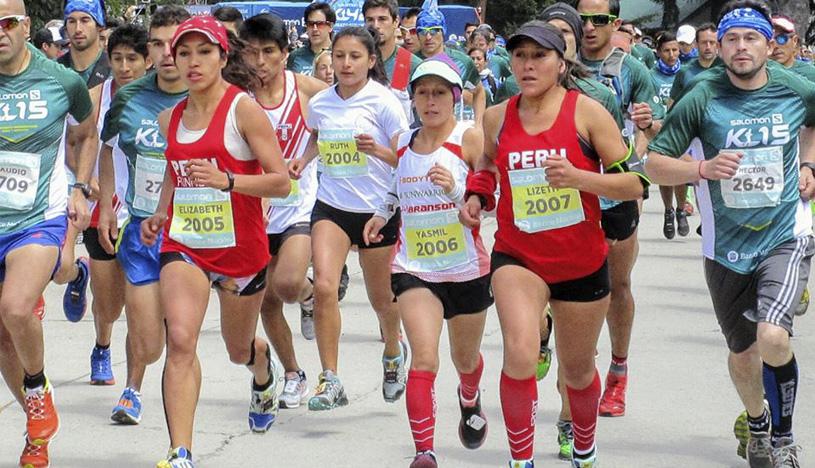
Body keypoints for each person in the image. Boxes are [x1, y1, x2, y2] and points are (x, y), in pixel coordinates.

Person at [460, 21, 642, 468]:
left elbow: (635, 182)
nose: (527, 65)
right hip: (518, 256)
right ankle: (520, 459)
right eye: (520, 56)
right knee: (520, 351)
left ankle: (584, 447)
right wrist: (477, 195)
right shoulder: (497, 116)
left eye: (539, 56)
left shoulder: (587, 113)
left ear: (561, 64)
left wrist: (579, 178)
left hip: (580, 260)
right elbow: (486, 164)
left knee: (577, 371)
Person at [645, 2, 813, 467]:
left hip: (785, 233)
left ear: (768, 45)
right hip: (725, 247)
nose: (742, 48)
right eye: (732, 40)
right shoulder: (702, 96)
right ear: (718, 47)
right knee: (743, 354)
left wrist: (809, 162)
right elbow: (655, 164)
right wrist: (701, 168)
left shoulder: (797, 89)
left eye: (751, 39)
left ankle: (784, 440)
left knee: (774, 337)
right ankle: (757, 421)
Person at [141, 15, 290, 467]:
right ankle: (180, 452)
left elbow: (282, 182)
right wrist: (161, 211)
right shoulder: (171, 116)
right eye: (183, 53)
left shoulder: (244, 110)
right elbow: (175, 168)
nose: (192, 62)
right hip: (184, 243)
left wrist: (230, 182)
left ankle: (261, 364)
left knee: (236, 348)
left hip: (241, 250)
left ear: (224, 57)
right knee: (181, 339)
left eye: (204, 52)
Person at [363, 57, 491, 468]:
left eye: (439, 93)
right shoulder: (403, 142)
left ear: (455, 98)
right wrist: (382, 214)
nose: (430, 102)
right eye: (422, 93)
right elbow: (398, 187)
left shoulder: (468, 139)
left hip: (467, 267)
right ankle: (424, 452)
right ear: (413, 98)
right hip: (414, 268)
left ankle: (469, 396)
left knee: (465, 361)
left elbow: (490, 204)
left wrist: (456, 190)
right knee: (424, 358)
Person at [289, 26, 409, 411]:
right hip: (332, 206)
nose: (344, 63)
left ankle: (393, 350)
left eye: (354, 56)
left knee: (381, 299)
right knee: (324, 287)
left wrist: (378, 150)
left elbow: (408, 159)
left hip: (377, 210)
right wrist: (304, 159)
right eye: (338, 55)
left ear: (371, 61)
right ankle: (331, 378)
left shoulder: (385, 102)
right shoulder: (321, 102)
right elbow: (315, 135)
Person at [0, 1, 97, 466]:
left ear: (24, 27)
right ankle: (37, 432)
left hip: (38, 216)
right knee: (3, 338)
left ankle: (37, 388)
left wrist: (80, 186)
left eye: (6, 23)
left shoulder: (63, 81)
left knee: (16, 307)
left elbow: (87, 133)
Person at [96, 8, 190, 425]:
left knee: (212, 338)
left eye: (176, 44)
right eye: (158, 43)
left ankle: (258, 363)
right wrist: (104, 208)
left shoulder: (212, 96)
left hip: (195, 231)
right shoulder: (128, 97)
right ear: (149, 49)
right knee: (149, 340)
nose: (167, 53)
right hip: (142, 229)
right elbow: (106, 150)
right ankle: (134, 387)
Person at [576, 0, 662, 421]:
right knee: (568, 284)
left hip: (614, 196)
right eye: (583, 20)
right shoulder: (560, 62)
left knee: (617, 285)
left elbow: (651, 126)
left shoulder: (632, 69)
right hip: (567, 194)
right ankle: (573, 364)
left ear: (616, 23)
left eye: (600, 20)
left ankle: (618, 371)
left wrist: (632, 167)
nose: (590, 28)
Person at [239, 12, 328, 410]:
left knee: (288, 284)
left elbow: (337, 122)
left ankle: (308, 296)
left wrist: (309, 158)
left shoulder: (308, 89)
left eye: (269, 52)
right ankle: (293, 372)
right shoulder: (236, 99)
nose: (260, 62)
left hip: (298, 204)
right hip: (252, 211)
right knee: (266, 304)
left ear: (285, 53)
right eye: (251, 53)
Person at [67, 21, 153, 390]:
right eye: (116, 58)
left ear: (148, 61)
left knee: (137, 304)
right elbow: (74, 145)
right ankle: (102, 345)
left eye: (132, 59)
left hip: (142, 215)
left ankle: (132, 389)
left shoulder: (159, 99)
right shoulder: (95, 97)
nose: (124, 67)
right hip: (102, 208)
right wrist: (88, 183)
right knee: (109, 302)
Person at [415, 0, 485, 126]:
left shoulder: (462, 61)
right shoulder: (410, 61)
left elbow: (479, 91)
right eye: (423, 31)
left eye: (434, 30)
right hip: (420, 135)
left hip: (452, 134)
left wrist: (478, 124)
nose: (428, 37)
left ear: (444, 31)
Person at [650, 31, 690, 239]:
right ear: (658, 52)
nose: (672, 54)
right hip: (660, 131)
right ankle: (669, 210)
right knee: (665, 173)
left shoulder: (685, 73)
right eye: (666, 50)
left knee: (680, 171)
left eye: (675, 50)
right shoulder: (651, 75)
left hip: (682, 130)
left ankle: (682, 208)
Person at [363, 0, 422, 122]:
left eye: (382, 19)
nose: (376, 25)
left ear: (396, 22)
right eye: (370, 20)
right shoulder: (355, 62)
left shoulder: (413, 65)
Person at [58, 0, 110, 88]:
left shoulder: (115, 70)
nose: (78, 29)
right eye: (72, 21)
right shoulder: (54, 71)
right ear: (65, 28)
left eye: (85, 21)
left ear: (99, 26)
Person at [669, 22, 721, 106]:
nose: (708, 47)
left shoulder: (727, 70)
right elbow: (671, 105)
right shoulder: (684, 71)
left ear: (718, 44)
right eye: (704, 42)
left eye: (712, 42)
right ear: (696, 44)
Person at [287, 2, 335, 75]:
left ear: (330, 26)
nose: (315, 29)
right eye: (310, 24)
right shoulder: (295, 56)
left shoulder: (338, 54)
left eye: (320, 24)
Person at [770, 14, 815, 82]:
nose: (775, 46)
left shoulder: (810, 74)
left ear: (794, 41)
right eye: (769, 41)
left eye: (781, 39)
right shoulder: (755, 76)